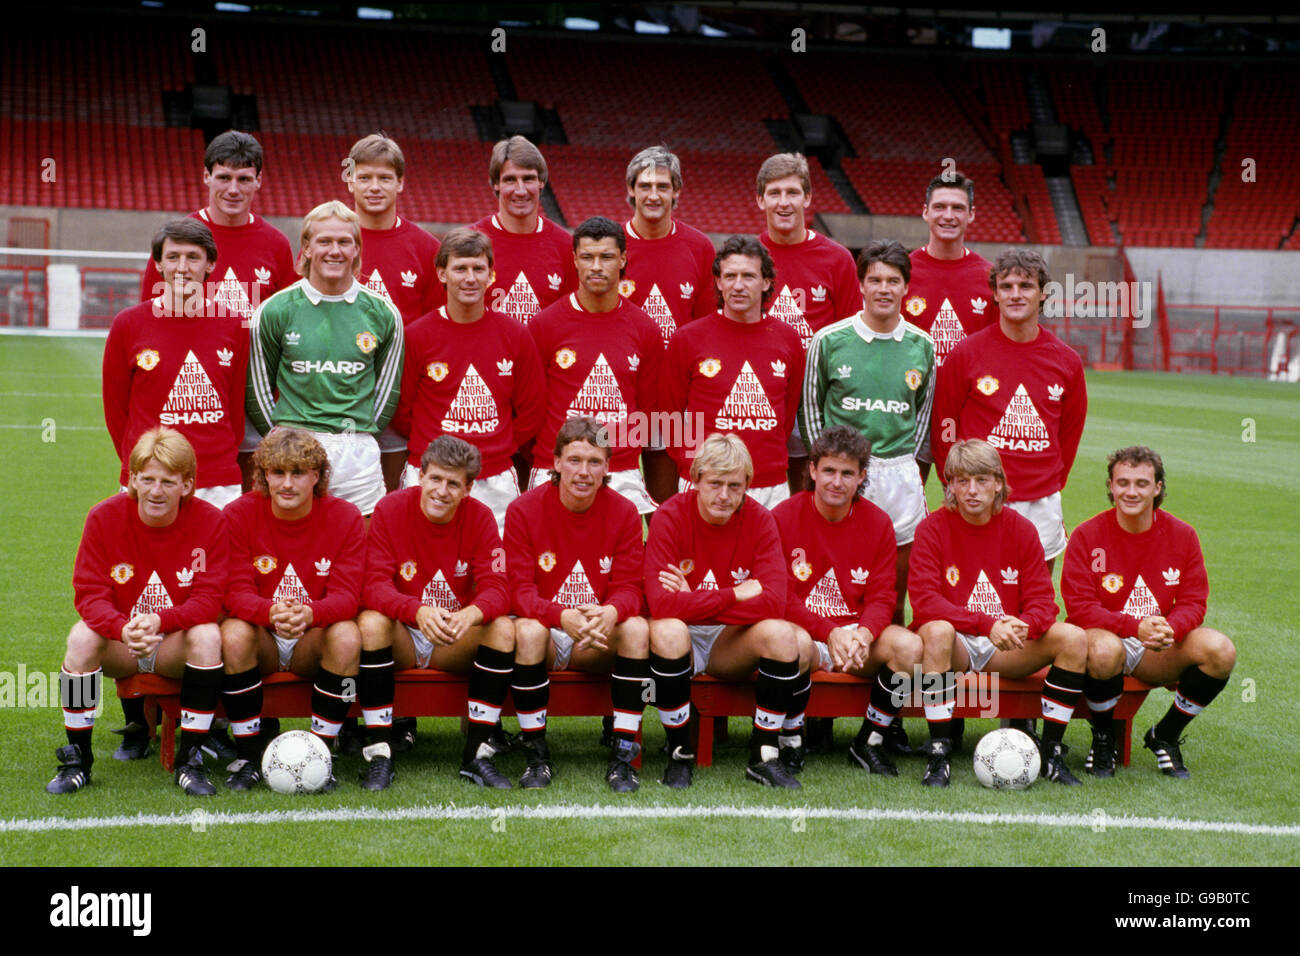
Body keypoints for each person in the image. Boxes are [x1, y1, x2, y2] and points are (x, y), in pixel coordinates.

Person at [46, 428, 226, 796]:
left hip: (173, 645)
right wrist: (122, 628)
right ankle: (78, 759)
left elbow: (210, 600)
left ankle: (190, 760)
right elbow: (89, 594)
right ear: (131, 480)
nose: (156, 491)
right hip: (122, 646)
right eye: (147, 480)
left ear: (187, 485)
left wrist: (161, 621)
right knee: (80, 637)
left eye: (167, 481)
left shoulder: (210, 522)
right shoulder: (103, 518)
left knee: (208, 635)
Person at [909, 439, 1087, 787]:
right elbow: (925, 602)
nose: (972, 490)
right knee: (937, 630)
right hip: (955, 646)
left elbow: (1044, 603)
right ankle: (939, 752)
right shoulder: (932, 528)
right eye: (962, 481)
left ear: (999, 483)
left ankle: (1051, 752)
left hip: (1006, 646)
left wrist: (1022, 626)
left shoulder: (1021, 529)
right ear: (950, 486)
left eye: (981, 480)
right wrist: (987, 623)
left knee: (1073, 638)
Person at [1062, 446, 1236, 778]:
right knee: (1103, 648)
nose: (1131, 492)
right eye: (1123, 482)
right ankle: (1104, 738)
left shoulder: (1183, 535)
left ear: (1157, 488)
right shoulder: (1087, 535)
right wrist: (1133, 626)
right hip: (1104, 642)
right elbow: (1080, 608)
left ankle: (1165, 735)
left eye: (1141, 483)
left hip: (1157, 645)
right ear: (1111, 486)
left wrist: (1172, 628)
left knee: (1220, 650)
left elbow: (1194, 601)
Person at [646, 433, 802, 789]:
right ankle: (678, 752)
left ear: (747, 485)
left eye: (735, 485)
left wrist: (696, 601)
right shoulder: (669, 515)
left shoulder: (761, 519)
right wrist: (734, 594)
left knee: (780, 634)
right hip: (681, 637)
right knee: (668, 630)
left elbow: (774, 602)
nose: (724, 495)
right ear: (695, 479)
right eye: (715, 483)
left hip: (728, 642)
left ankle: (764, 754)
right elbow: (662, 605)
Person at [359, 436, 516, 788]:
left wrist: (470, 615)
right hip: (404, 633)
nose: (442, 491)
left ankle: (477, 755)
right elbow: (372, 587)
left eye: (453, 483)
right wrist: (416, 611)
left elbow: (499, 588)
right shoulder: (390, 509)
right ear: (421, 476)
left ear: (468, 488)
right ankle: (380, 752)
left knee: (503, 629)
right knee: (370, 623)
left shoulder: (480, 517)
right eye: (435, 479)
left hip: (452, 638)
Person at [503, 417, 650, 792]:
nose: (584, 472)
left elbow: (632, 589)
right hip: (549, 633)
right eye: (574, 460)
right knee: (528, 630)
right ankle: (536, 756)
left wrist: (612, 611)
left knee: (635, 628)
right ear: (556, 462)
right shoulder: (523, 510)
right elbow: (518, 592)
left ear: (607, 467)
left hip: (594, 639)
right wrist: (559, 615)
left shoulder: (625, 512)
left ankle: (622, 758)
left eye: (595, 462)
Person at [219, 429, 369, 790]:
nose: (287, 484)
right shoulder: (237, 514)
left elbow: (349, 597)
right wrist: (270, 613)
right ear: (263, 475)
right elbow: (233, 593)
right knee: (228, 634)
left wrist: (309, 614)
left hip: (311, 640)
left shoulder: (346, 517)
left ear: (317, 476)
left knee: (349, 635)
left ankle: (322, 752)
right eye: (278, 472)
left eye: (298, 473)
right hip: (260, 638)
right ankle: (249, 754)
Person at [773, 426, 922, 777]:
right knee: (790, 644)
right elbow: (780, 597)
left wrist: (865, 635)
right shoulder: (782, 516)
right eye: (829, 471)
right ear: (812, 470)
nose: (836, 482)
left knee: (911, 648)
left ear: (862, 477)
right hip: (807, 633)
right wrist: (829, 632)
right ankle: (791, 738)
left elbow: (883, 596)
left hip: (857, 642)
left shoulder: (879, 523)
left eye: (847, 473)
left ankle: (869, 740)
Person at [800, 238, 934, 623]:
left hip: (898, 474)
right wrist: (826, 464)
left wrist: (906, 461)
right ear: (861, 285)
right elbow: (810, 408)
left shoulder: (922, 346)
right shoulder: (828, 341)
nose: (884, 289)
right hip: (843, 472)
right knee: (835, 587)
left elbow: (921, 415)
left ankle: (887, 673)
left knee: (892, 595)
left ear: (906, 286)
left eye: (893, 281)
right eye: (875, 280)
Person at [245, 200, 404, 517]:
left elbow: (388, 392)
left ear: (357, 248)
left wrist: (358, 431)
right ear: (306, 246)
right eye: (324, 241)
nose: (335, 251)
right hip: (293, 447)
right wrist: (283, 437)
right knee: (294, 551)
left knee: (360, 552)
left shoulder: (383, 313)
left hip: (355, 448)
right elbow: (258, 388)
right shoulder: (276, 309)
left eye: (345, 241)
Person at [931, 249, 1086, 570]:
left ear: (1043, 293)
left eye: (1026, 286)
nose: (1016, 294)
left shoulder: (1066, 361)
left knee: (1036, 601)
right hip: (977, 495)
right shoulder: (966, 353)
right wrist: (957, 486)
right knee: (974, 593)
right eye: (1007, 286)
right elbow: (944, 423)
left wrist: (1050, 480)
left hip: (1040, 498)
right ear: (995, 294)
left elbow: (1069, 433)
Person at [391, 227, 545, 535]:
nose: (470, 278)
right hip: (429, 472)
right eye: (460, 268)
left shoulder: (514, 334)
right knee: (423, 563)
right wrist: (433, 443)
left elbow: (532, 408)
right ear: (442, 273)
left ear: (491, 275)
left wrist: (498, 446)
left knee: (497, 568)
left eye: (478, 268)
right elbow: (402, 408)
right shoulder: (417, 335)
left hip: (494, 476)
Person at [104, 218, 248, 509]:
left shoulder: (234, 325)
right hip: (150, 475)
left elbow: (236, 405)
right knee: (148, 555)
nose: (182, 268)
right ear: (158, 264)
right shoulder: (128, 324)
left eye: (193, 257)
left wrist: (217, 456)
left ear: (210, 265)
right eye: (173, 257)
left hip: (216, 480)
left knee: (219, 555)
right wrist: (143, 463)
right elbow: (116, 409)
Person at [527, 216, 664, 517]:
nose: (597, 267)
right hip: (555, 465)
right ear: (575, 260)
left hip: (621, 469)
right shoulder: (544, 326)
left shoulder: (645, 329)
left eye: (607, 257)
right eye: (588, 257)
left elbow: (649, 410)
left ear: (623, 259)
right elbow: (532, 407)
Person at [660, 236, 804, 508]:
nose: (738, 286)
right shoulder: (688, 339)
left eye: (748, 276)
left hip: (768, 486)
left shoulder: (788, 340)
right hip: (705, 482)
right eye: (730, 276)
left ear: (766, 282)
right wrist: (694, 465)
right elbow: (670, 415)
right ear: (718, 281)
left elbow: (786, 415)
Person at [344, 132, 444, 494]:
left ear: (400, 182)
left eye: (385, 178)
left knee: (396, 501)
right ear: (350, 179)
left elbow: (438, 333)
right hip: (338, 397)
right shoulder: (330, 243)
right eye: (365, 177)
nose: (374, 187)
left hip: (402, 406)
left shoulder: (425, 249)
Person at [755, 152, 860, 496]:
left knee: (809, 495)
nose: (784, 203)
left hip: (817, 402)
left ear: (808, 197)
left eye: (792, 193)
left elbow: (850, 340)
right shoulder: (745, 258)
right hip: (759, 395)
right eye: (774, 193)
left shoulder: (837, 259)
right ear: (760, 199)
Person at [620, 145, 717, 506]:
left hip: (674, 400)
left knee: (666, 504)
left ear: (677, 191)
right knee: (613, 501)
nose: (653, 194)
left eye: (663, 186)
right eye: (645, 185)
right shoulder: (611, 245)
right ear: (631, 189)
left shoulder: (700, 247)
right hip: (621, 395)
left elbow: (708, 328)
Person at [137, 130, 295, 318]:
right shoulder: (176, 240)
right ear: (206, 176)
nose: (233, 190)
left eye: (243, 179)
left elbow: (286, 320)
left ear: (258, 181)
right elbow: (150, 317)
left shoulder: (277, 244)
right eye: (224, 178)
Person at [473, 135, 576, 325]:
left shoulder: (566, 246)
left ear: (541, 182)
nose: (520, 191)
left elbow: (572, 320)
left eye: (528, 179)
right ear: (496, 184)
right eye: (510, 180)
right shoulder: (470, 243)